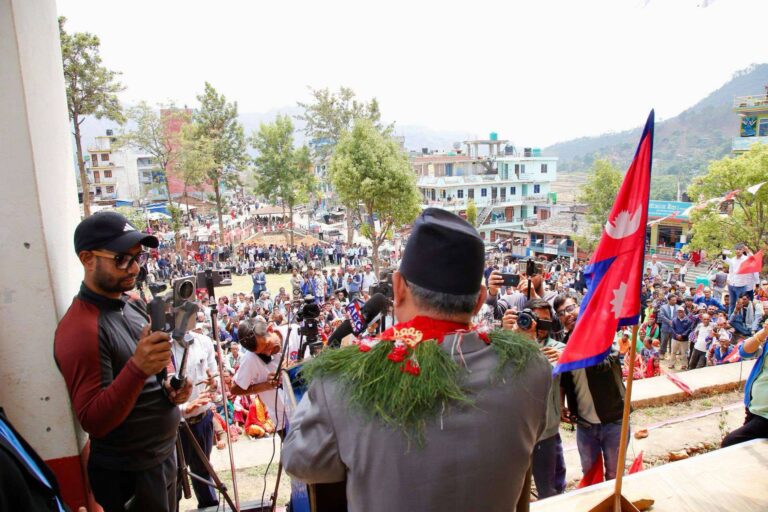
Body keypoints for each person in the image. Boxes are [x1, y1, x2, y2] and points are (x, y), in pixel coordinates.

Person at [282, 208, 551, 511]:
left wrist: (328, 368)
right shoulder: (532, 369)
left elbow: (301, 462)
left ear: (398, 288)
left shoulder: (344, 380)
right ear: (479, 300)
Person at [54, 212, 191, 512]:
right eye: (121, 259)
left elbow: (153, 376)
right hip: (130, 474)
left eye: (138, 257)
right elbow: (94, 420)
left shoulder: (132, 304)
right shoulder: (81, 329)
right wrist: (138, 369)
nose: (134, 268)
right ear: (88, 259)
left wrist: (171, 385)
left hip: (160, 458)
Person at [502, 298, 566, 499]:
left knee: (549, 491)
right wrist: (506, 335)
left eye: (544, 321)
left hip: (546, 432)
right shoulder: (508, 343)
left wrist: (528, 344)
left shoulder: (558, 349)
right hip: (516, 432)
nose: (537, 325)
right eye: (533, 318)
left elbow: (546, 373)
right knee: (514, 492)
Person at [171, 326, 219, 509]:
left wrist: (214, 385)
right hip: (175, 426)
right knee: (174, 477)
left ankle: (210, 507)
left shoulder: (203, 342)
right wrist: (185, 408)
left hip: (202, 420)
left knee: (203, 471)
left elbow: (214, 377)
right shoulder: (164, 346)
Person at [722, 320, 768, 447]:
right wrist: (763, 333)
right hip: (754, 407)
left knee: (730, 443)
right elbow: (744, 352)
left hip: (765, 415)